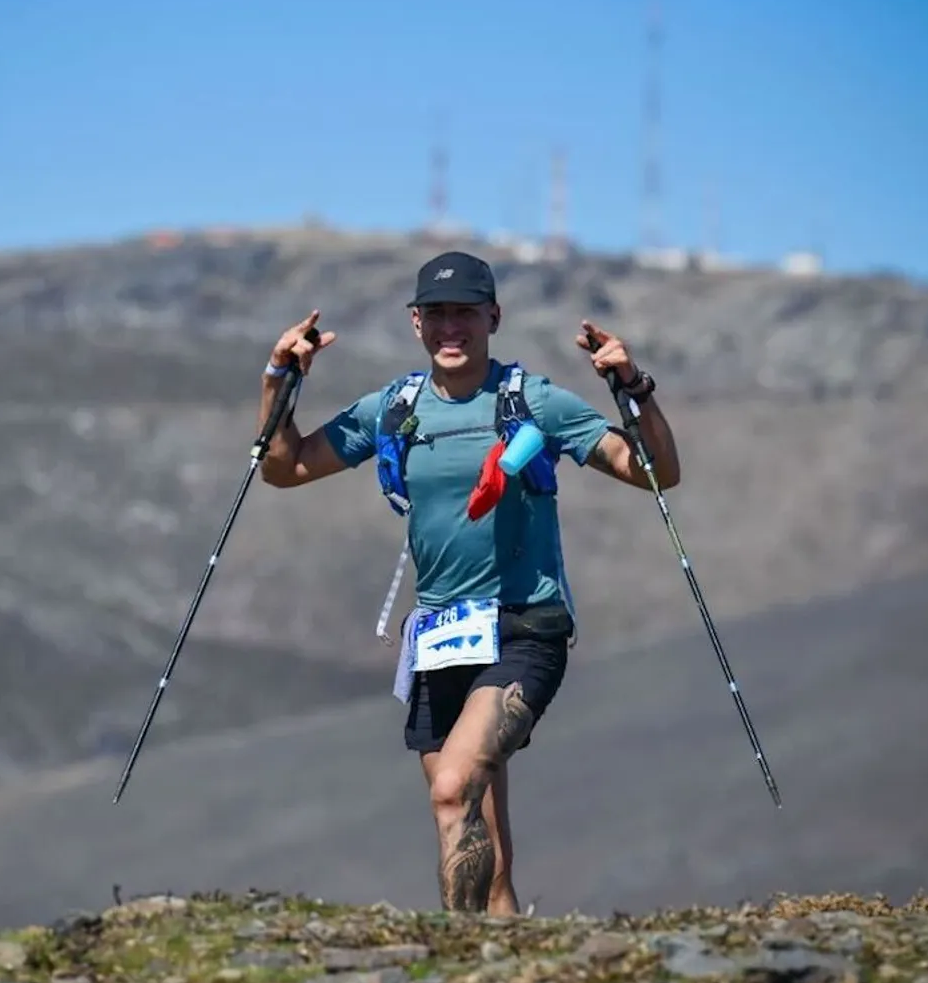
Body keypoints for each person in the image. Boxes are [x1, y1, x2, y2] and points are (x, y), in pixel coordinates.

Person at [257, 249, 682, 916]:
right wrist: (280, 378)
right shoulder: (393, 408)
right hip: (439, 636)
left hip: (524, 627)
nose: (451, 327)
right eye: (437, 314)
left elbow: (653, 469)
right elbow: (285, 468)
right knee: (483, 845)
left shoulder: (532, 400)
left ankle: (459, 958)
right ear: (415, 322)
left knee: (453, 788)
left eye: (465, 313)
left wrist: (633, 384)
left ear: (493, 317)